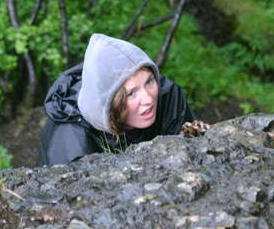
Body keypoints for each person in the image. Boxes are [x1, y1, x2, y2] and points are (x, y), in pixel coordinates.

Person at [37, 33, 195, 166]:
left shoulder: (167, 96)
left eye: (149, 81)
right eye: (131, 93)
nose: (148, 99)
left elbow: (190, 154)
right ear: (110, 101)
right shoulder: (72, 138)